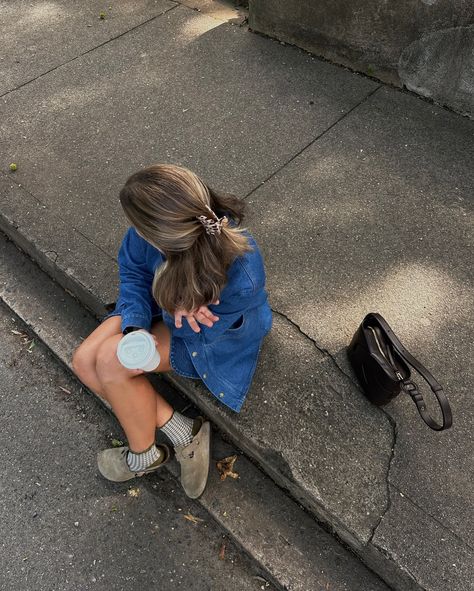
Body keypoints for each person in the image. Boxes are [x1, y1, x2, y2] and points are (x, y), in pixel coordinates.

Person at [72, 164, 272, 499]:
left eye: (139, 229)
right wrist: (136, 325)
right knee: (83, 361)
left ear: (162, 236)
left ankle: (143, 454)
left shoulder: (241, 275)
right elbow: (134, 273)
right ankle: (182, 432)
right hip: (165, 312)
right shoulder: (151, 233)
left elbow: (204, 335)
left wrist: (175, 307)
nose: (135, 233)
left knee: (109, 362)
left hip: (208, 339)